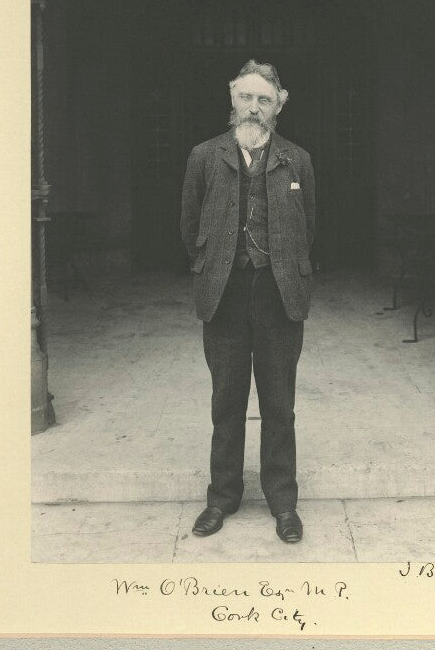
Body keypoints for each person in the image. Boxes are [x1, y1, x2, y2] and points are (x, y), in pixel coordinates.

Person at [180, 59, 315, 543]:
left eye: (264, 99)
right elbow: (189, 226)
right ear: (232, 100)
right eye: (245, 97)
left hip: (279, 294)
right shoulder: (204, 157)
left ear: (279, 106)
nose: (253, 108)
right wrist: (217, 265)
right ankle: (222, 498)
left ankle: (283, 503)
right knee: (226, 401)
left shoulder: (297, 160)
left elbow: (308, 227)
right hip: (225, 293)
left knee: (279, 404)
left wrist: (282, 269)